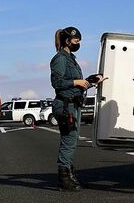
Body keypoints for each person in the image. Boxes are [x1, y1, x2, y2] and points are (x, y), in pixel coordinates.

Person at [50, 26, 105, 191]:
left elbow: (75, 82)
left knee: (72, 141)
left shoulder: (71, 58)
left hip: (74, 103)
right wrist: (76, 82)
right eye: (76, 41)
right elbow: (57, 83)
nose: (78, 44)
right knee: (69, 141)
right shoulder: (60, 58)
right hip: (65, 105)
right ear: (68, 41)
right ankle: (63, 178)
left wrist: (90, 80)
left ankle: (70, 175)